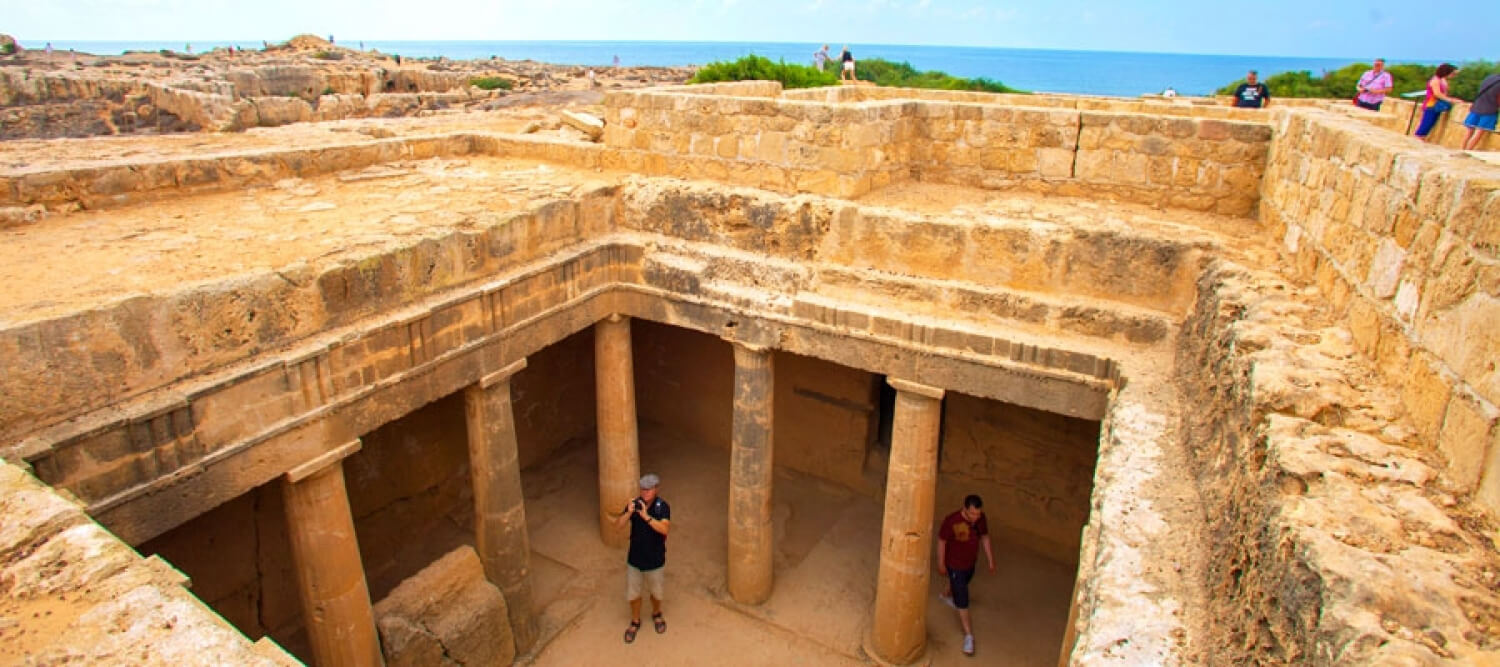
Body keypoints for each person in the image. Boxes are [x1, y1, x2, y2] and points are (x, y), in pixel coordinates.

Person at [613, 473, 671, 644]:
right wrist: (627, 513)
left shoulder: (662, 507)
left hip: (655, 560)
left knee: (656, 592)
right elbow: (617, 527)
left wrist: (646, 517)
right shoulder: (634, 505)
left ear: (656, 490)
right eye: (643, 489)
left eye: (649, 489)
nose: (645, 493)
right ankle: (635, 621)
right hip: (635, 560)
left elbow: (664, 529)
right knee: (634, 594)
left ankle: (656, 613)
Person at [937, 495, 996, 657]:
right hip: (955, 564)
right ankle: (969, 636)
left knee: (962, 581)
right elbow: (942, 541)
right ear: (964, 509)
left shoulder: (980, 519)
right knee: (962, 600)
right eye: (972, 514)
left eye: (978, 514)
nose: (976, 517)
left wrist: (990, 559)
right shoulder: (952, 521)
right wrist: (941, 563)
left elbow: (984, 537)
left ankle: (944, 594)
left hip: (970, 564)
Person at [1414, 63, 1460, 141]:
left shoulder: (1441, 81)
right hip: (1431, 104)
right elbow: (1437, 93)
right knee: (1427, 123)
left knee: (1431, 123)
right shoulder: (1435, 81)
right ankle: (1418, 138)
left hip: (1434, 105)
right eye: (1453, 73)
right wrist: (1451, 100)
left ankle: (1421, 138)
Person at [1463, 72, 1500, 150]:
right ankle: (1468, 150)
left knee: (1469, 131)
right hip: (1489, 109)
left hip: (1476, 106)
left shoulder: (1490, 77)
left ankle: (1462, 149)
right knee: (1479, 132)